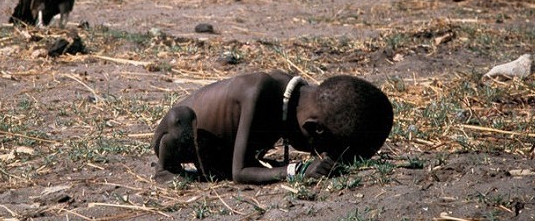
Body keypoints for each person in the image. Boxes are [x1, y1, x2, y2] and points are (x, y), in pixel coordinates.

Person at [152, 70, 393, 184]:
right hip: (181, 135)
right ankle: (166, 170)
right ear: (314, 129)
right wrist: (296, 170)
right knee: (179, 120)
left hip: (217, 152)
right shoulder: (259, 93)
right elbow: (240, 173)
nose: (316, 155)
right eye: (319, 149)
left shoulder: (294, 98)